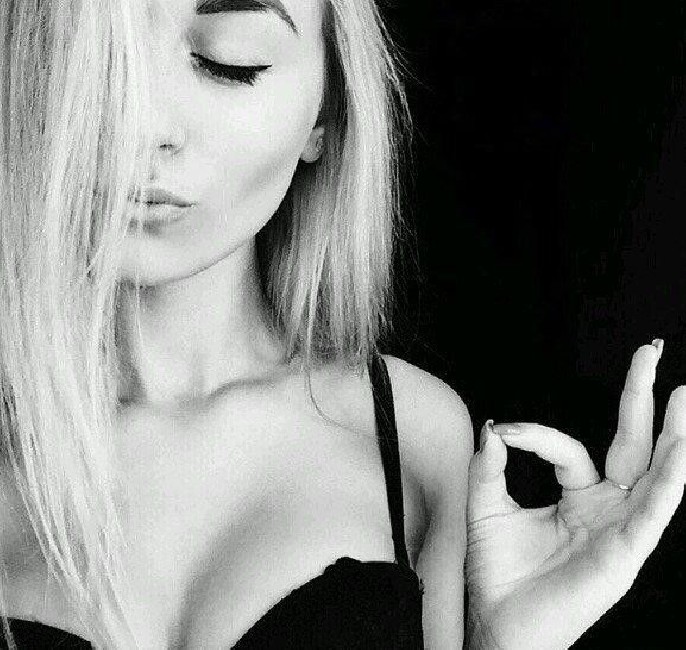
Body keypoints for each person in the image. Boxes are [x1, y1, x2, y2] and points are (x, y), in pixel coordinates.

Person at [0, 1, 683, 648]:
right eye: (92, 59)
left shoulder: (413, 434)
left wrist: (505, 644)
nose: (141, 125)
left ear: (325, 114)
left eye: (230, 62)